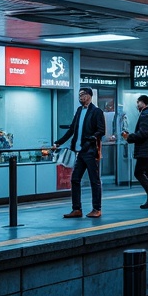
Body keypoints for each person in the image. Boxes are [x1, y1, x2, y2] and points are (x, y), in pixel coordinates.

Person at [54, 86, 106, 218]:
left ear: (89, 96)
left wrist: (90, 141)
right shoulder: (79, 110)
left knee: (94, 181)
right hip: (79, 152)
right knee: (75, 179)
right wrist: (58, 142)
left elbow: (101, 130)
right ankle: (77, 209)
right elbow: (72, 129)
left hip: (90, 151)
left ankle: (97, 209)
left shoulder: (96, 111)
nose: (80, 97)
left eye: (82, 95)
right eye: (79, 95)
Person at [121, 94, 148, 209]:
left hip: (145, 150)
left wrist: (129, 137)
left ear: (143, 103)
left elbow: (143, 133)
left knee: (138, 173)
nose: (136, 105)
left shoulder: (145, 114)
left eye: (138, 102)